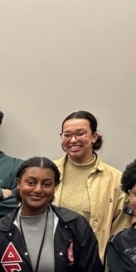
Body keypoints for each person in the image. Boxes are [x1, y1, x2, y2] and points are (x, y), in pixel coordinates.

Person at [52, 111, 130, 258]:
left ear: (94, 137)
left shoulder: (116, 180)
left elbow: (121, 231)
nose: (73, 140)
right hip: (52, 260)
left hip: (93, 263)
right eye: (67, 135)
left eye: (80, 133)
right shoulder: (48, 172)